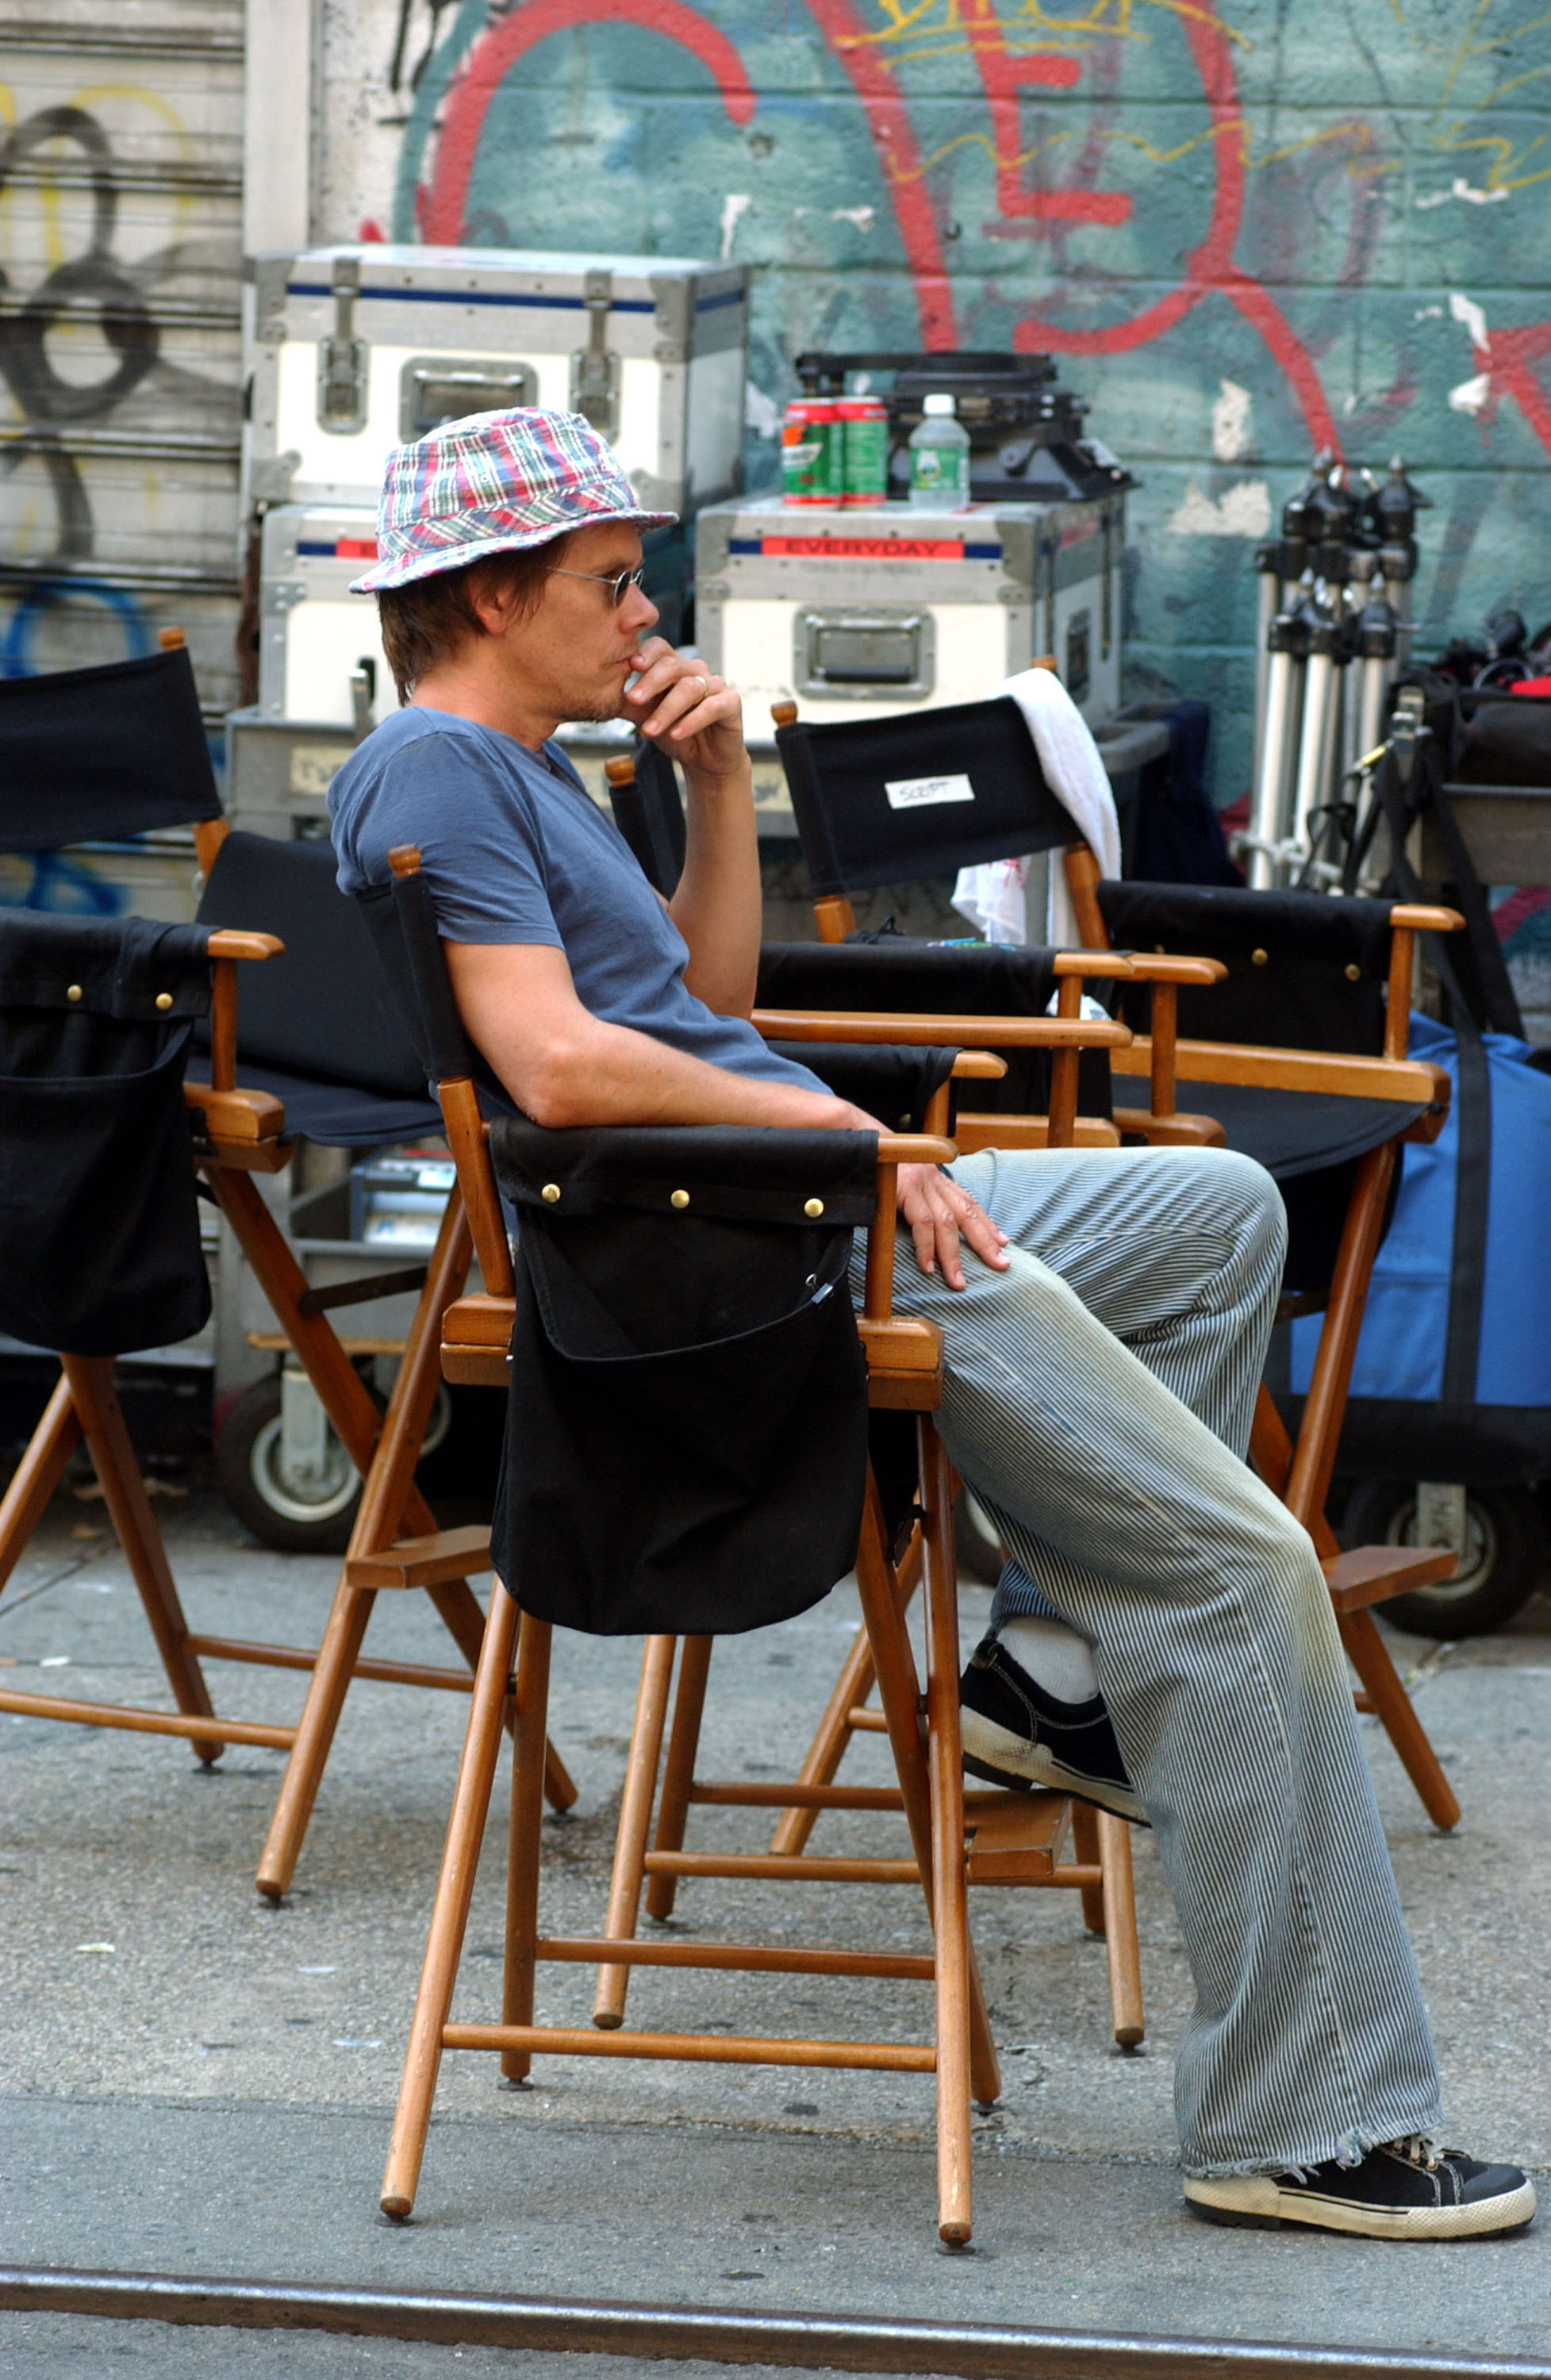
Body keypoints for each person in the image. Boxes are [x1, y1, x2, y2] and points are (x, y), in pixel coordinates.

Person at [330, 406, 1533, 2243]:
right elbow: (564, 1072)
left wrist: (719, 790)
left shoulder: (522, 766)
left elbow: (695, 1001)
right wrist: (851, 1136)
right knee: (1237, 1579)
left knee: (1210, 1211)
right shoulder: (431, 771)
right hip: (757, 1251)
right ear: (493, 594)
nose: (638, 610)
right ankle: (1307, 2125)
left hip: (769, 1207)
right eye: (606, 579)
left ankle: (1051, 1670)